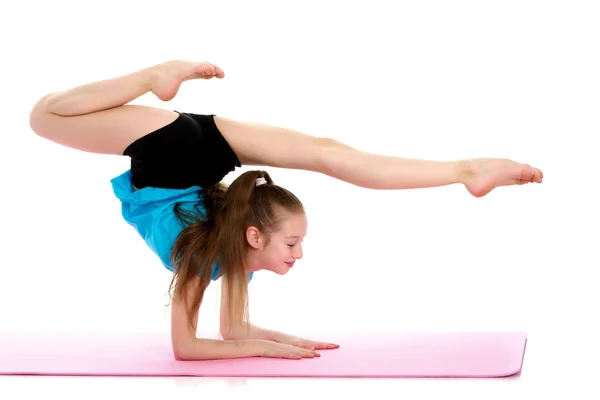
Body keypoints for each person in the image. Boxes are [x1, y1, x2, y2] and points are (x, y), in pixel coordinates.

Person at [28, 60, 543, 361]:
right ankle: (155, 74)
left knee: (328, 151)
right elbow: (188, 347)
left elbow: (228, 333)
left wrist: (286, 340)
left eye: (295, 244)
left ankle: (467, 170)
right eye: (293, 243)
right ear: (255, 235)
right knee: (42, 114)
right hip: (182, 153)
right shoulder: (206, 255)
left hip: (194, 144)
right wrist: (268, 349)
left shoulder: (218, 253)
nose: (299, 254)